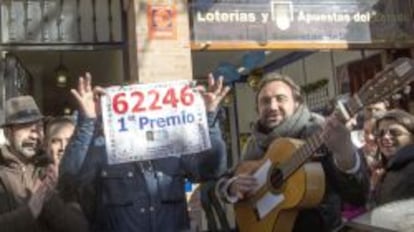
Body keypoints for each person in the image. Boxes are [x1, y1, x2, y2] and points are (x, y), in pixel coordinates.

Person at [59, 73, 230, 232]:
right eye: (128, 108)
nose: (137, 115)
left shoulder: (173, 147)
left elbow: (211, 170)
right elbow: (70, 180)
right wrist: (88, 121)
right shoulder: (102, 149)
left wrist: (208, 118)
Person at [216, 73, 369, 232]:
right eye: (265, 101)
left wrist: (345, 153)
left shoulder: (321, 131)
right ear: (257, 109)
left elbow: (359, 195)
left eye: (280, 98)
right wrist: (230, 187)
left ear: (297, 103)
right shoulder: (254, 143)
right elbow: (225, 180)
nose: (273, 106)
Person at [0, 96, 89, 232]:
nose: (35, 135)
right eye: (26, 127)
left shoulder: (53, 170)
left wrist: (50, 200)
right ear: (7, 133)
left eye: (39, 127)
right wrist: (30, 212)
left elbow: (79, 227)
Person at [371, 109, 414, 207]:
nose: (385, 137)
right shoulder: (389, 169)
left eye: (395, 132)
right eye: (380, 133)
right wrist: (375, 186)